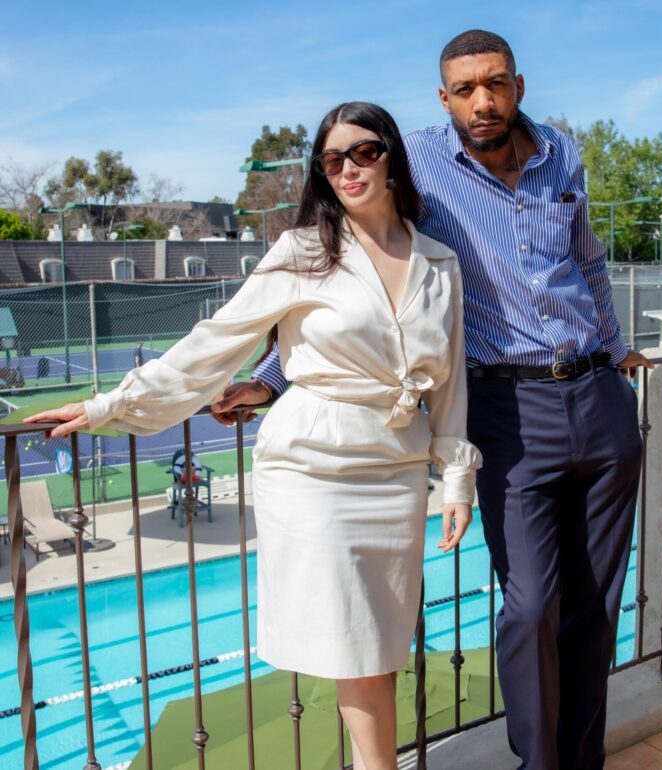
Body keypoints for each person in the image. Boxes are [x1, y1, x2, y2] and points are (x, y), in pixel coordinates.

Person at [222, 30, 653, 770]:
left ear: (518, 83)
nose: (482, 102)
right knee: (530, 607)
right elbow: (349, 274)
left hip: (599, 395)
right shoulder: (414, 158)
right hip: (507, 411)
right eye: (465, 89)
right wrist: (272, 376)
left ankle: (584, 760)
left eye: (495, 84)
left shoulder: (562, 154)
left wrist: (616, 352)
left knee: (595, 607)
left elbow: (589, 263)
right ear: (443, 96)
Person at [25, 101, 480, 770]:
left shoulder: (439, 261)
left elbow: (451, 381)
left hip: (399, 472)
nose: (348, 169)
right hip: (314, 469)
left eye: (364, 152)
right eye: (331, 160)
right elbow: (215, 343)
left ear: (391, 158)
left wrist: (457, 477)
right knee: (356, 645)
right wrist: (107, 407)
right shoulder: (302, 250)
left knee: (383, 641)